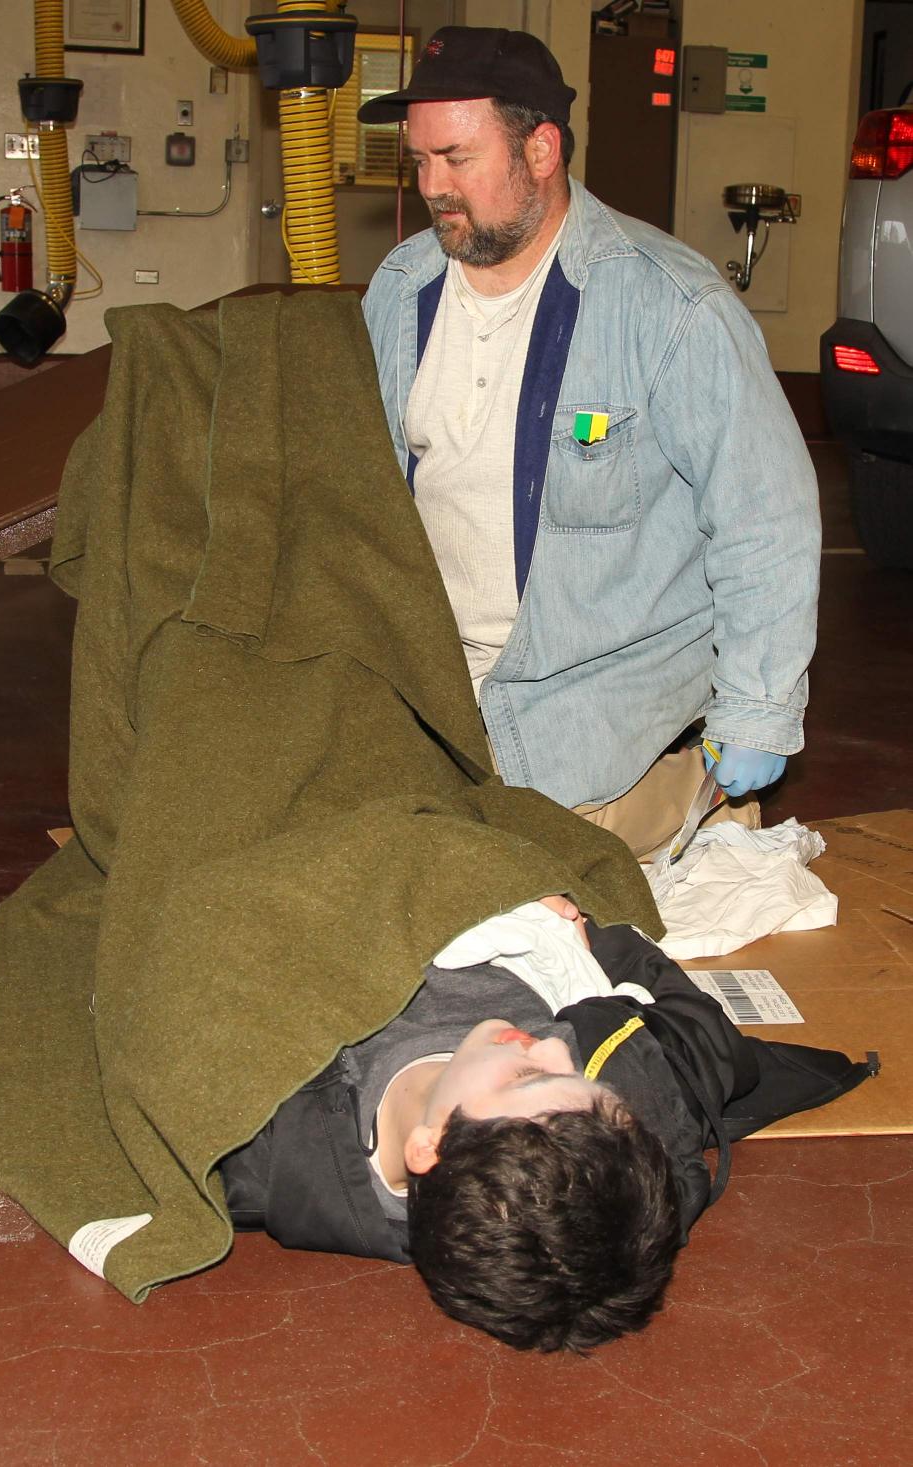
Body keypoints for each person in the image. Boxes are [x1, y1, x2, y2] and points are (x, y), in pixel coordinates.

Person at [358, 27, 821, 857]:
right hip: (436, 687)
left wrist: (757, 712)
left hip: (590, 700)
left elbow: (765, 519)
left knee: (504, 864)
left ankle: (689, 792)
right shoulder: (398, 292)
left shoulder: (670, 307)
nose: (431, 187)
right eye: (418, 160)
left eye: (456, 158)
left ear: (540, 150)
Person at [222, 898, 871, 1353]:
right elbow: (700, 1035)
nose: (558, 1045)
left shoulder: (261, 1142)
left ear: (428, 1146)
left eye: (526, 1078)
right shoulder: (616, 1148)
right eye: (583, 1078)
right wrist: (592, 935)